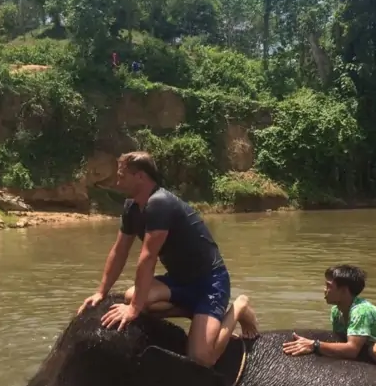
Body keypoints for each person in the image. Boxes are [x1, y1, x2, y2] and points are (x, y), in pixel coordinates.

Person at [78, 151, 259, 368]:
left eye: (122, 176)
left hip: (210, 283)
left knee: (201, 359)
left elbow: (147, 257)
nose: (118, 181)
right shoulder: (132, 207)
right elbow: (119, 251)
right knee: (131, 296)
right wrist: (101, 292)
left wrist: (134, 309)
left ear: (141, 177)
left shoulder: (160, 204)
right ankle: (195, 312)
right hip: (179, 280)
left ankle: (238, 308)